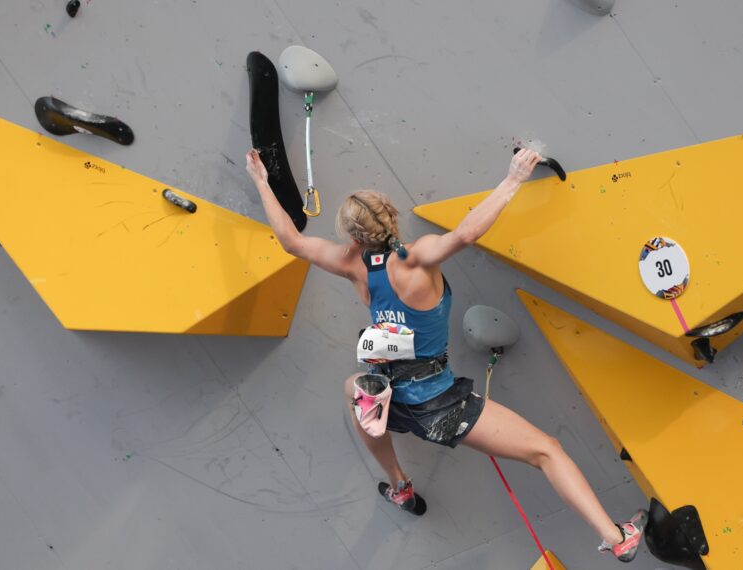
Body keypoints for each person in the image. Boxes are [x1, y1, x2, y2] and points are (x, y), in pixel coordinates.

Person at [245, 148, 647, 562]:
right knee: (546, 451)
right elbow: (466, 234)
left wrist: (261, 180)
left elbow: (291, 241)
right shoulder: (417, 259)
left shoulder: (353, 264)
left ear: (355, 238)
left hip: (391, 399)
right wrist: (513, 178)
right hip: (440, 407)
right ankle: (616, 537)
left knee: (354, 386)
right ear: (392, 215)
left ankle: (399, 485)